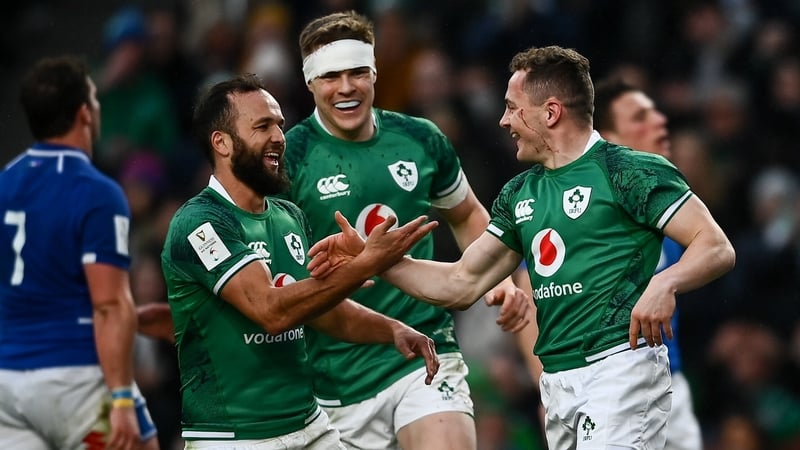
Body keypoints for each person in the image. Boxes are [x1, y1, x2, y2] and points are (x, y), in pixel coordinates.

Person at [307, 45, 736, 449]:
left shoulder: (627, 170)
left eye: (512, 108)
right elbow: (461, 282)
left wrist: (665, 284)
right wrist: (374, 260)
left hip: (620, 368)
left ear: (550, 113)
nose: (503, 121)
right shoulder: (519, 193)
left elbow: (714, 245)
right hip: (558, 380)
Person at [282, 10, 531, 450]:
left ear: (375, 72)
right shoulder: (290, 158)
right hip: (334, 374)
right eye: (330, 76)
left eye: (358, 72)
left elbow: (468, 214)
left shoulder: (421, 139)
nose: (346, 88)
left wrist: (501, 281)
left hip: (425, 352)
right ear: (309, 82)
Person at [159, 73, 441, 449]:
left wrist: (391, 330)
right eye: (262, 126)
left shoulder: (287, 215)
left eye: (280, 124)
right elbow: (271, 312)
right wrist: (365, 265)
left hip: (310, 426)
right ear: (222, 143)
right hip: (235, 437)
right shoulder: (200, 222)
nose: (279, 137)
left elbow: (320, 310)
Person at [0, 55, 159, 450]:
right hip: (74, 381)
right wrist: (121, 396)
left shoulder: (4, 183)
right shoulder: (97, 192)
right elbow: (108, 304)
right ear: (84, 113)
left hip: (6, 385)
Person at [593, 77, 703, 450]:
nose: (659, 121)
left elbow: (717, 251)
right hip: (611, 389)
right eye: (641, 117)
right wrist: (541, 383)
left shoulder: (664, 197)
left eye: (656, 111)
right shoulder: (590, 207)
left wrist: (666, 281)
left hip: (673, 381)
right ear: (609, 138)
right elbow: (533, 285)